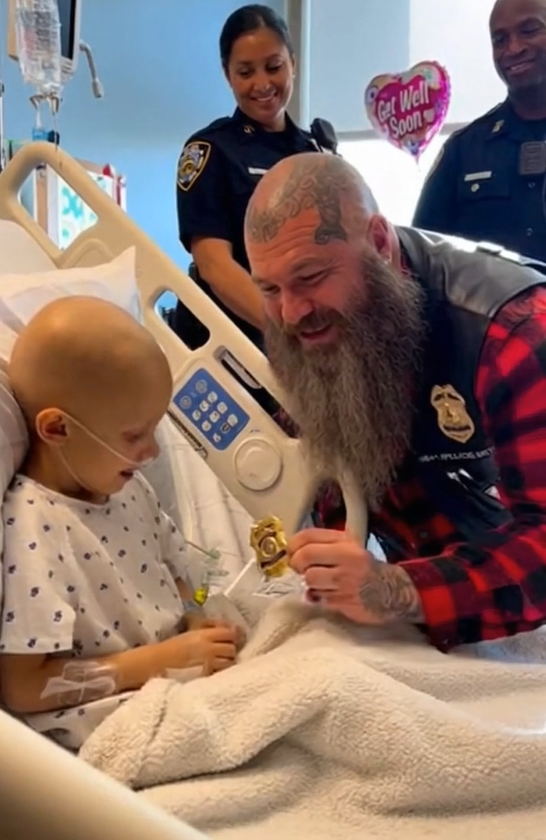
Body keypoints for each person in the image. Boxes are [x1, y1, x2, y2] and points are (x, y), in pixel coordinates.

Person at [244, 151, 546, 652]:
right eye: (270, 288)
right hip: (420, 617)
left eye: (311, 277)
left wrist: (399, 590)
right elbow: (337, 486)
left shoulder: (514, 333)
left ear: (380, 243)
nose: (292, 312)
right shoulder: (314, 329)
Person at [0, 296, 241, 750]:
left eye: (154, 430)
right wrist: (159, 661)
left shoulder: (128, 487)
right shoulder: (34, 526)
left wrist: (196, 623)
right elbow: (23, 686)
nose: (152, 451)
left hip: (181, 682)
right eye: (134, 435)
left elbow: (175, 573)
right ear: (57, 429)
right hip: (122, 719)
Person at [173, 3, 337, 350]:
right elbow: (214, 265)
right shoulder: (211, 150)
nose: (262, 84)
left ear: (293, 63)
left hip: (309, 332)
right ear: (227, 74)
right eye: (245, 72)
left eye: (274, 67)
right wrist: (288, 330)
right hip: (239, 340)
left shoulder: (317, 153)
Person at [412, 0, 546, 262]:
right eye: (500, 40)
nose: (513, 48)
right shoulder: (464, 150)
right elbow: (423, 259)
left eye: (529, 30)